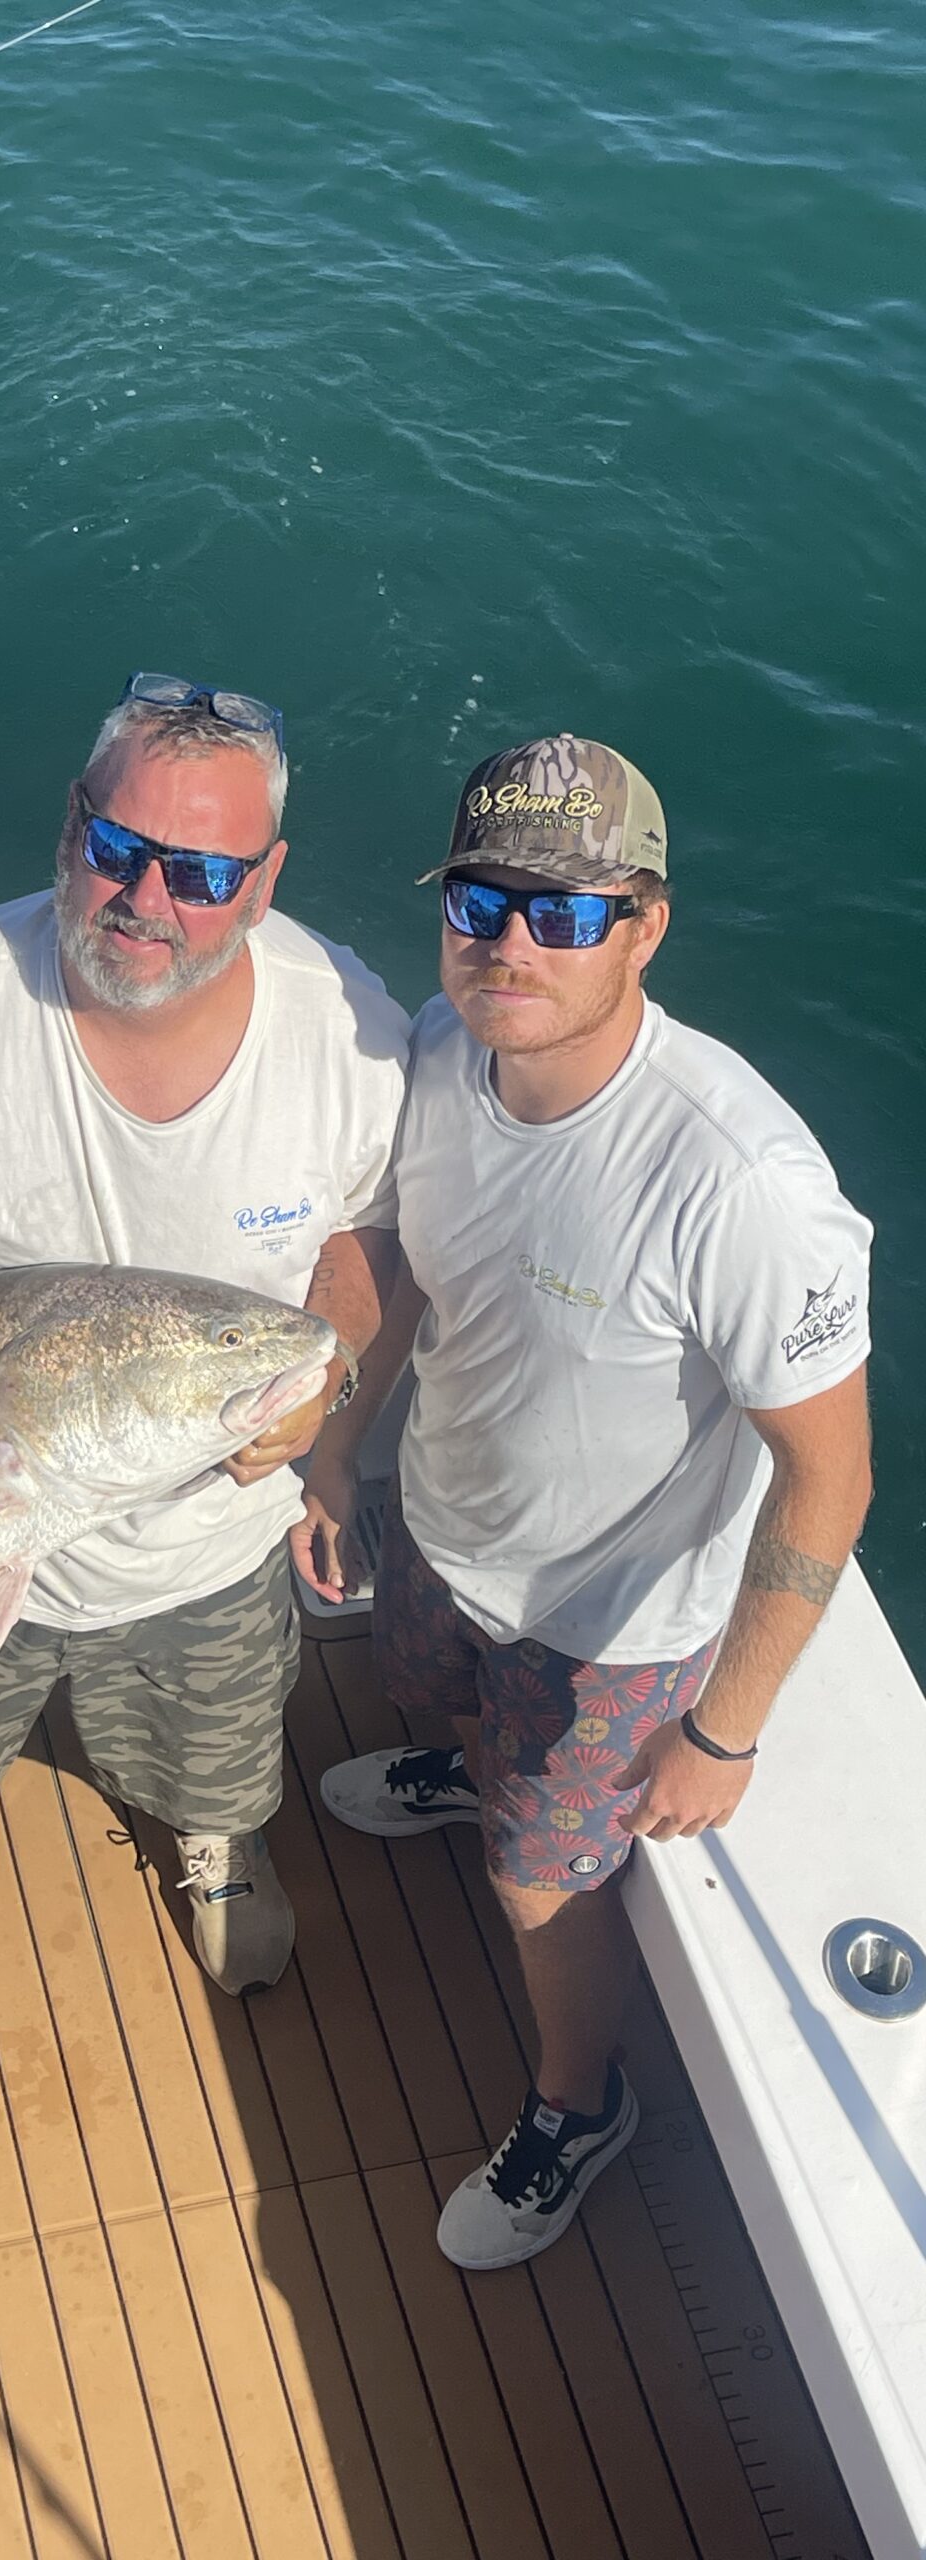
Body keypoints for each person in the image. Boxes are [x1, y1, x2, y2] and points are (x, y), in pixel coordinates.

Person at [0, 672, 410, 2103]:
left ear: (263, 884)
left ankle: (210, 1837)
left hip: (209, 1549)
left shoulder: (347, 1032)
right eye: (117, 846)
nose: (146, 896)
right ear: (70, 823)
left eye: (200, 872)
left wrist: (330, 1404)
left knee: (223, 1759)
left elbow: (363, 1242)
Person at [305, 736, 873, 2270]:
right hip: (444, 1530)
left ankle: (579, 2103)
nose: (510, 944)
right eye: (483, 901)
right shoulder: (437, 1049)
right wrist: (338, 1447)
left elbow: (833, 1473)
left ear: (647, 927)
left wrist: (727, 1727)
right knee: (429, 1701)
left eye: (564, 913)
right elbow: (414, 1263)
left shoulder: (739, 1183)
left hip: (618, 1632)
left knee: (539, 1884)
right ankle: (466, 1768)